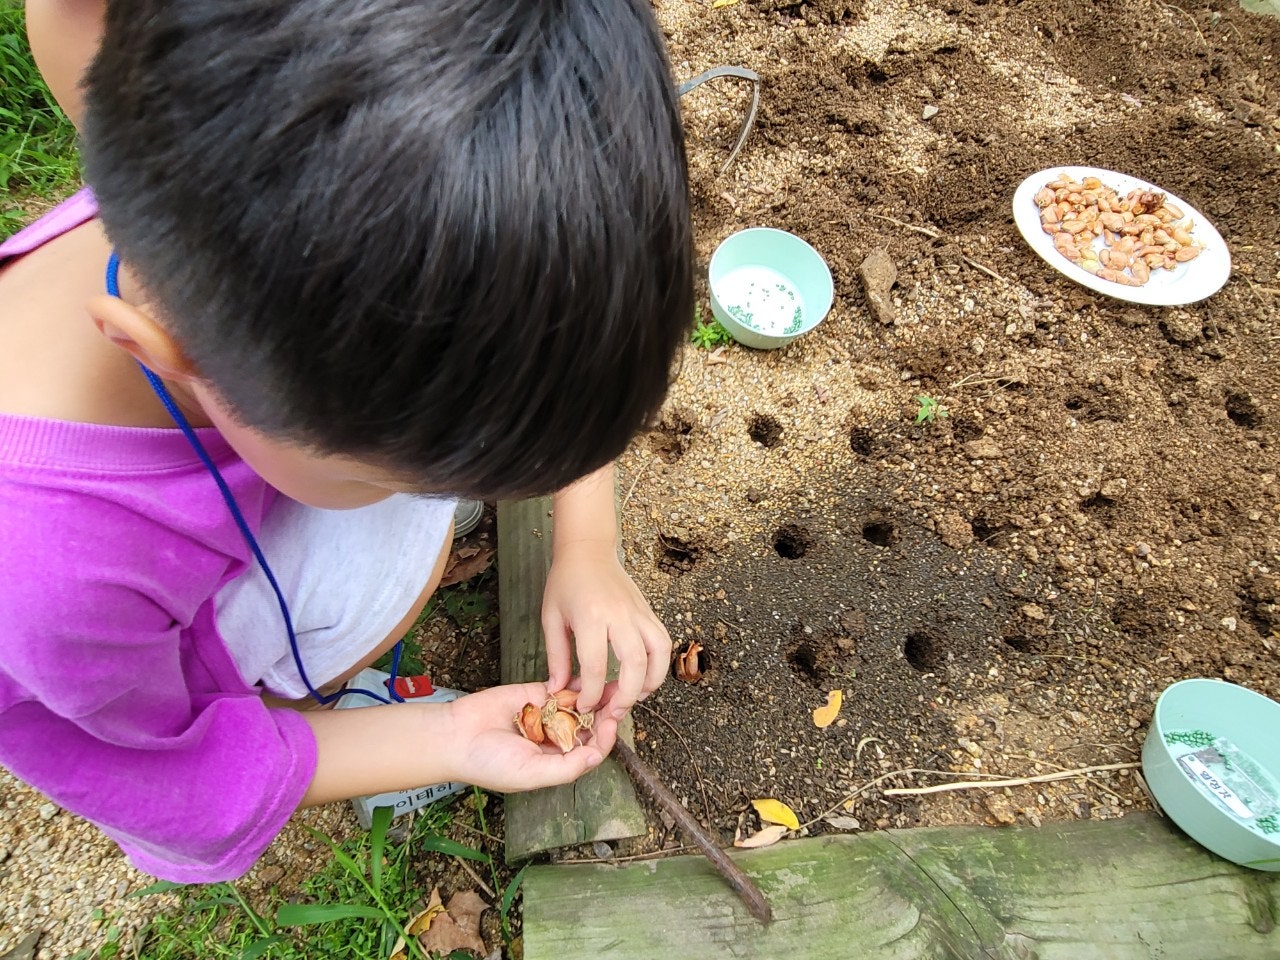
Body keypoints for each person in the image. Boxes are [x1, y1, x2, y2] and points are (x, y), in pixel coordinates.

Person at [0, 0, 691, 882]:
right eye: (387, 473)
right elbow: (163, 765)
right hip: (108, 650)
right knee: (374, 577)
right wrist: (438, 738)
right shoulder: (47, 581)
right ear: (156, 351)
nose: (452, 491)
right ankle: (318, 686)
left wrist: (587, 544)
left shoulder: (172, 108)